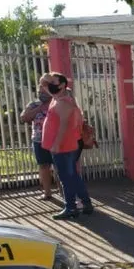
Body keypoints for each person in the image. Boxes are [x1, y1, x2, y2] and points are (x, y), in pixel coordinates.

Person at [40, 72, 93, 220]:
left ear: (62, 85)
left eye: (54, 82)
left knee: (66, 178)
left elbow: (63, 125)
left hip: (64, 146)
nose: (49, 85)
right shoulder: (57, 98)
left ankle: (71, 207)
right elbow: (43, 82)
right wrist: (49, 78)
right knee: (73, 176)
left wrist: (56, 144)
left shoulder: (63, 102)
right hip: (67, 145)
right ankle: (86, 203)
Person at [20, 81, 54, 200]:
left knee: (59, 167)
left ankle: (63, 192)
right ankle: (47, 192)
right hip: (39, 140)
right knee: (44, 166)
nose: (41, 94)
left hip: (56, 140)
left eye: (44, 92)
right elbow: (24, 117)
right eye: (39, 92)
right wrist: (40, 108)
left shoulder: (57, 103)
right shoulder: (34, 104)